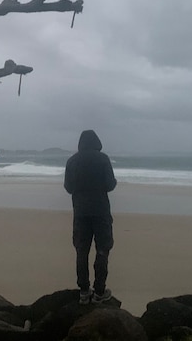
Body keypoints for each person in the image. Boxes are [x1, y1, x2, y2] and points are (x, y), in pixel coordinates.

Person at [64, 129, 117, 304]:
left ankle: (84, 291)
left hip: (80, 212)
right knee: (102, 249)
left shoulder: (72, 161)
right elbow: (110, 185)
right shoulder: (103, 159)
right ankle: (99, 291)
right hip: (101, 211)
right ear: (97, 143)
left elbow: (68, 187)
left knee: (81, 250)